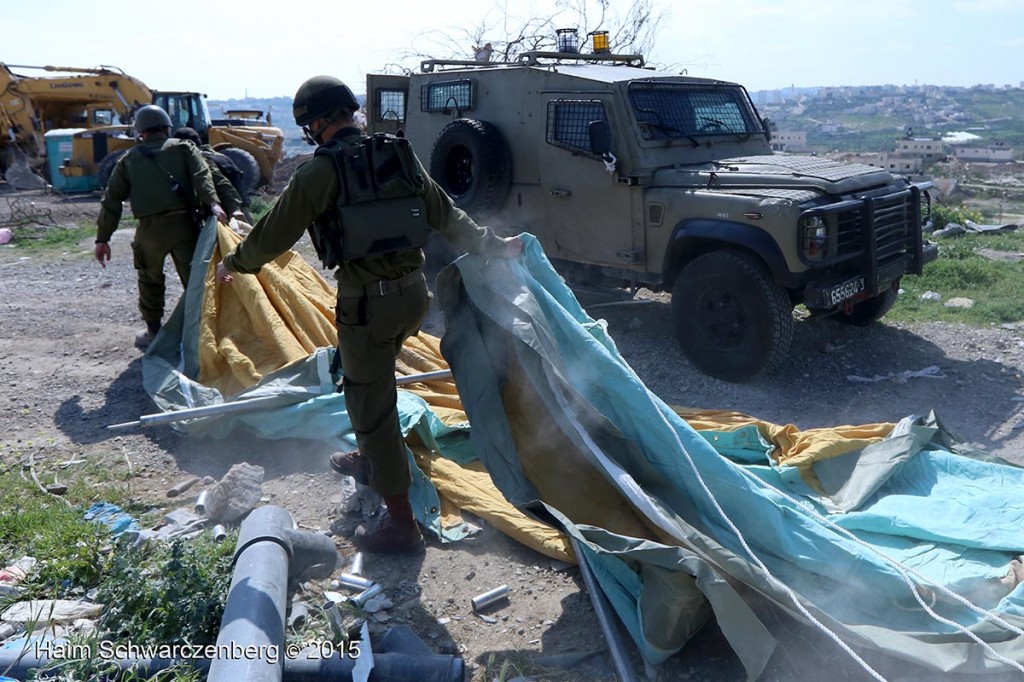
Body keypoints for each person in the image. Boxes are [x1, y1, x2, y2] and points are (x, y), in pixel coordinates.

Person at [216, 76, 521, 553]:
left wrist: (234, 262)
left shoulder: (320, 173)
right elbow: (446, 216)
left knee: (367, 400)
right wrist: (495, 245)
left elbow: (273, 235)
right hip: (413, 299)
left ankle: (401, 523)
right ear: (350, 112)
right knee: (373, 383)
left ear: (317, 123)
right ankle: (371, 455)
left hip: (367, 304)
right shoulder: (400, 156)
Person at [95, 105, 227, 349]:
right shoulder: (184, 148)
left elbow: (111, 200)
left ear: (140, 132)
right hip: (185, 225)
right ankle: (206, 333)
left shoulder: (129, 159)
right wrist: (214, 203)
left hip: (149, 231)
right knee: (197, 281)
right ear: (167, 127)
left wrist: (102, 239)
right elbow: (201, 174)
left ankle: (153, 331)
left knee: (149, 280)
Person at [172, 127, 252, 223]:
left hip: (228, 214)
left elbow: (220, 183)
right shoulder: (222, 157)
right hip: (243, 210)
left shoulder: (201, 160)